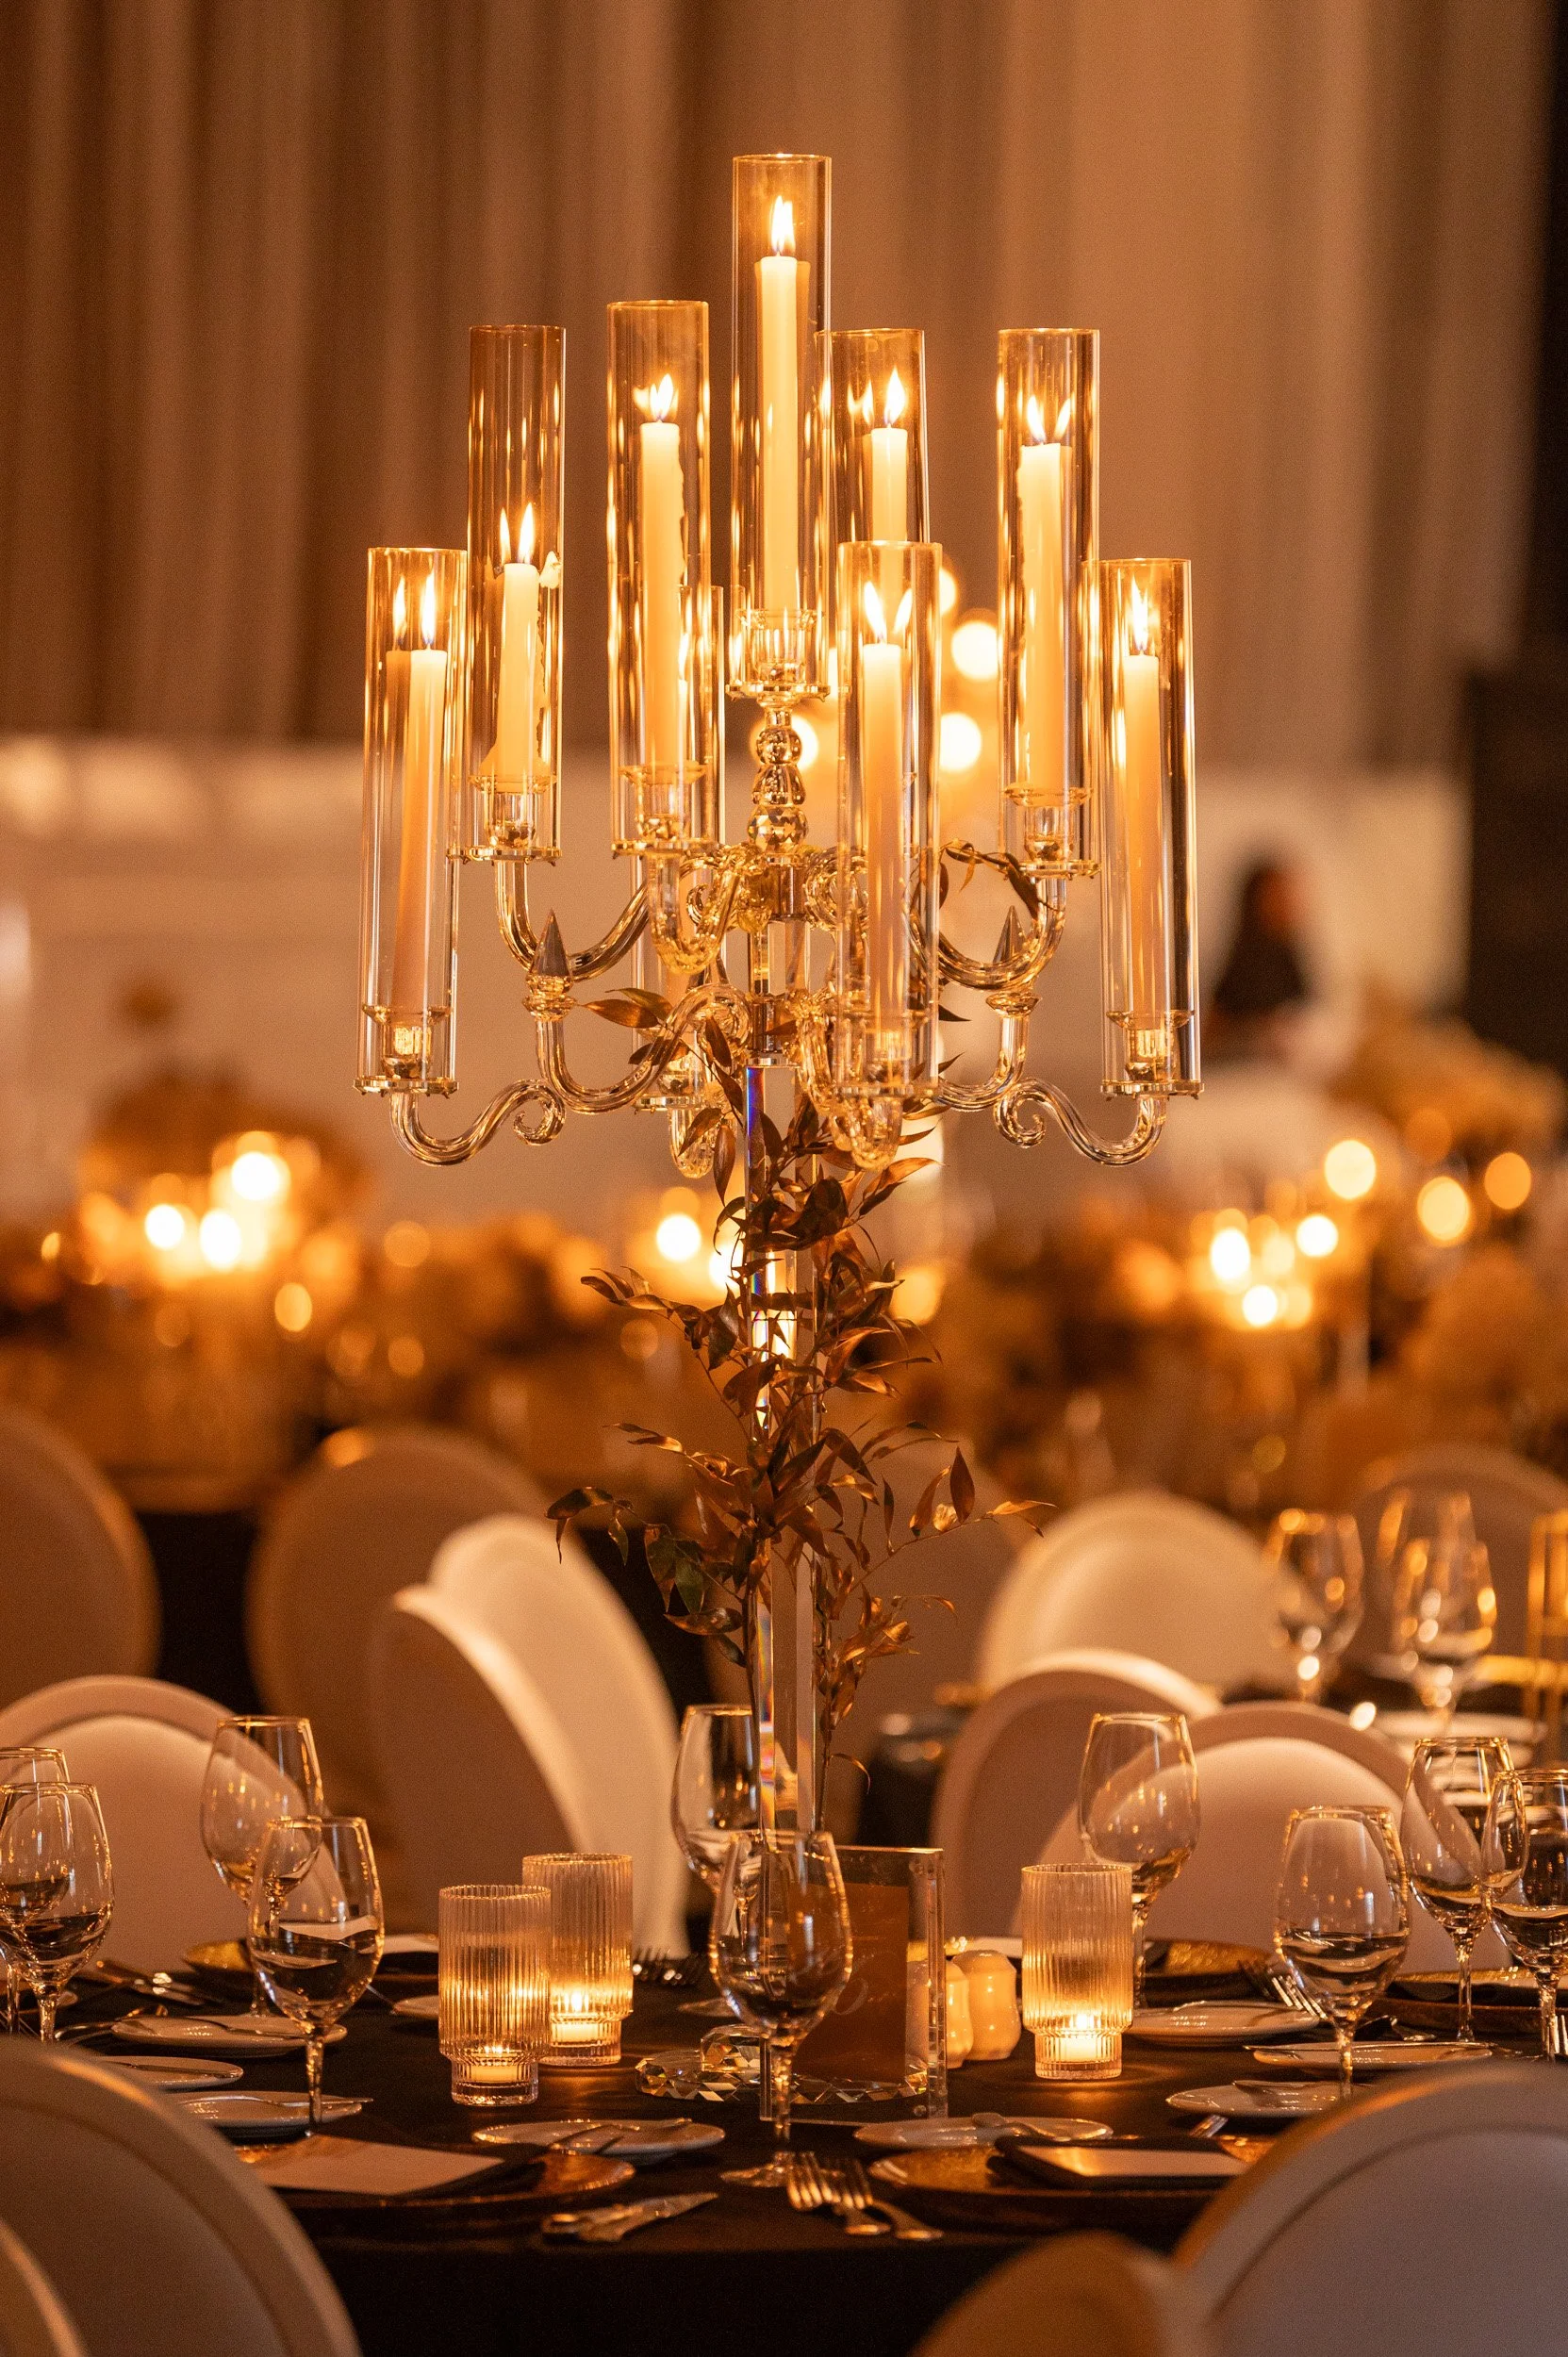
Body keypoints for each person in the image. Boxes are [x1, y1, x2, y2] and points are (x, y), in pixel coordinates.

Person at [1208, 859, 1312, 1062]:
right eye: (1277, 895)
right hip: (1248, 1073)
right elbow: (1214, 1032)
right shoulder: (1241, 963)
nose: (1287, 902)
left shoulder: (1290, 956)